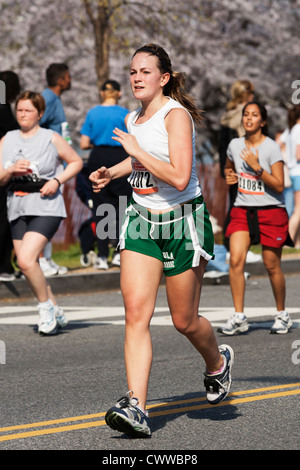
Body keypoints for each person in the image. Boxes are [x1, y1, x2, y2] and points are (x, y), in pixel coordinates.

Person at [89, 43, 234, 438]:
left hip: (183, 222)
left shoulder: (176, 116)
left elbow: (179, 174)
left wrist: (135, 151)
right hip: (141, 220)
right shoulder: (132, 117)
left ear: (164, 77)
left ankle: (217, 361)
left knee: (184, 320)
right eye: (132, 71)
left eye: (145, 71)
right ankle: (137, 405)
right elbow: (140, 160)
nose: (136, 77)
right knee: (136, 313)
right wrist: (113, 171)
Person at [0, 91, 83, 335]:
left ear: (40, 114)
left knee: (25, 259)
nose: (23, 115)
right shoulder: (7, 139)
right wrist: (11, 169)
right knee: (29, 264)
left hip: (46, 203)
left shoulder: (51, 137)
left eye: (28, 110)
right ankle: (55, 307)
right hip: (17, 204)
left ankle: (45, 308)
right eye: (19, 110)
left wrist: (57, 180)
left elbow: (76, 162)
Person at [219, 101, 293, 336]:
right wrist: (229, 176)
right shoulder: (234, 144)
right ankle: (239, 316)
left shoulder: (271, 148)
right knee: (235, 261)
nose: (249, 118)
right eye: (246, 115)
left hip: (271, 210)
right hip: (243, 209)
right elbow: (228, 167)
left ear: (263, 121)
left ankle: (282, 314)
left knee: (272, 265)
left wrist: (256, 167)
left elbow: (279, 185)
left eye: (254, 115)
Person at [80, 79, 132, 269]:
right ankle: (120, 252)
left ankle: (102, 256)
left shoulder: (93, 113)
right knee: (123, 205)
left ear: (102, 93)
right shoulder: (126, 114)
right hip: (120, 158)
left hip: (98, 157)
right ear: (119, 94)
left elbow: (84, 143)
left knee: (101, 208)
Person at [219, 80, 262, 265]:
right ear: (246, 93)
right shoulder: (246, 113)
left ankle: (232, 247)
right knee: (246, 208)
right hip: (243, 167)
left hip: (229, 166)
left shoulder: (228, 113)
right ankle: (238, 247)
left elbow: (223, 145)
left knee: (236, 207)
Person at [39, 63, 72, 276]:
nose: (70, 80)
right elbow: (35, 123)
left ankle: (47, 259)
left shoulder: (55, 99)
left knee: (52, 212)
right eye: (68, 77)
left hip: (57, 164)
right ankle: (40, 259)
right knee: (43, 212)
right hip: (46, 163)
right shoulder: (48, 99)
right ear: (60, 80)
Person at [0, 71, 21, 282]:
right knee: (4, 219)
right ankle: (4, 265)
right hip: (3, 170)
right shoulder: (3, 109)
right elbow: (15, 133)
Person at [279, 105, 300, 247]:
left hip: (293, 172)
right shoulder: (298, 129)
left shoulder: (291, 129)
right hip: (299, 172)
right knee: (299, 210)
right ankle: (288, 240)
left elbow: (279, 143)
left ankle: (297, 243)